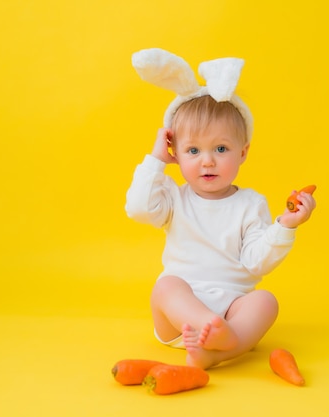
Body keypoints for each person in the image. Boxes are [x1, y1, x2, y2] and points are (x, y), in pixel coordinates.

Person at [125, 49, 316, 369]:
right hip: (179, 321)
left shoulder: (250, 204)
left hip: (232, 311)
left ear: (243, 152)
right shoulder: (174, 197)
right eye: (193, 150)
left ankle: (218, 350)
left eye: (221, 148)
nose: (208, 160)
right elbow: (138, 209)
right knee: (166, 286)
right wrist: (156, 161)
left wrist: (286, 225)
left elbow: (256, 262)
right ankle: (214, 332)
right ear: (176, 152)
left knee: (265, 301)